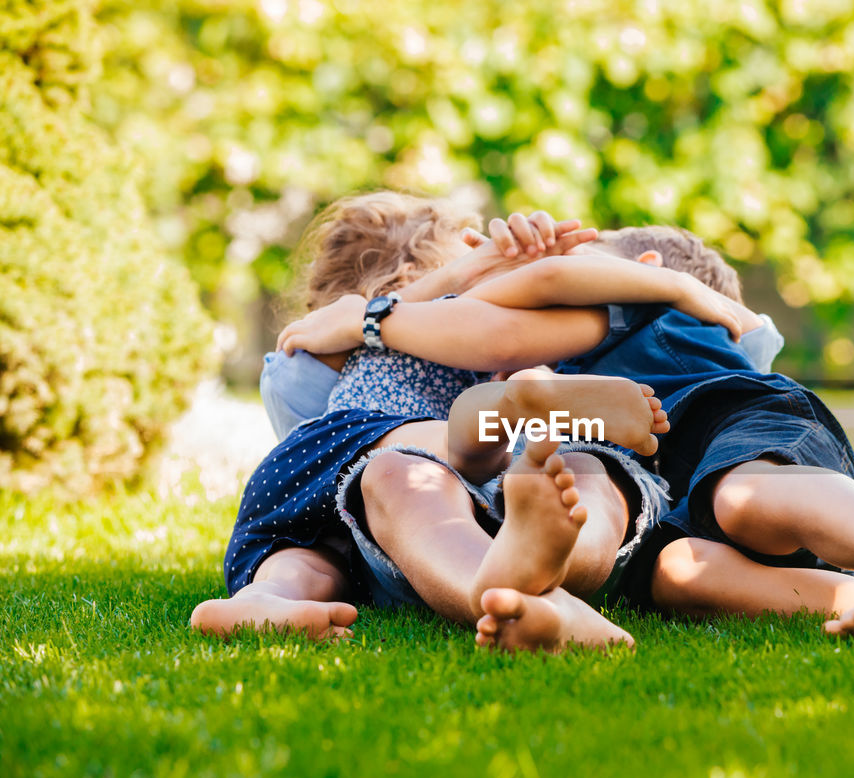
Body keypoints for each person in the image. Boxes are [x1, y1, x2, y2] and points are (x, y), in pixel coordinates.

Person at [191, 194, 745, 646]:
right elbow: (519, 302)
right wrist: (475, 276)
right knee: (477, 463)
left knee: (311, 559)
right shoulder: (400, 323)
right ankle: (520, 428)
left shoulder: (342, 350)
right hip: (411, 444)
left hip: (314, 496)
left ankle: (263, 603)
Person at [470, 226, 854, 641]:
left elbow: (533, 290)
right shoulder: (570, 362)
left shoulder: (663, 313)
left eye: (585, 254)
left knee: (743, 497)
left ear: (644, 272)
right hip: (675, 497)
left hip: (734, 422)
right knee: (679, 574)